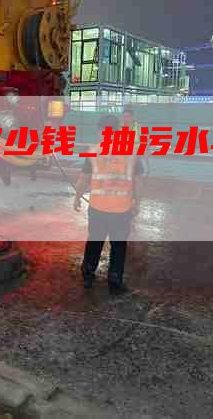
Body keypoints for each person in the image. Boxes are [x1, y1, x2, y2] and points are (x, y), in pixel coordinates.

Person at [73, 114, 143, 295]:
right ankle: (115, 281)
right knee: (118, 246)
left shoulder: (94, 151)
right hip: (122, 210)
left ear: (100, 130)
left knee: (94, 242)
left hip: (98, 209)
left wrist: (77, 197)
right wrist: (137, 203)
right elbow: (138, 182)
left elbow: (83, 180)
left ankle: (88, 276)